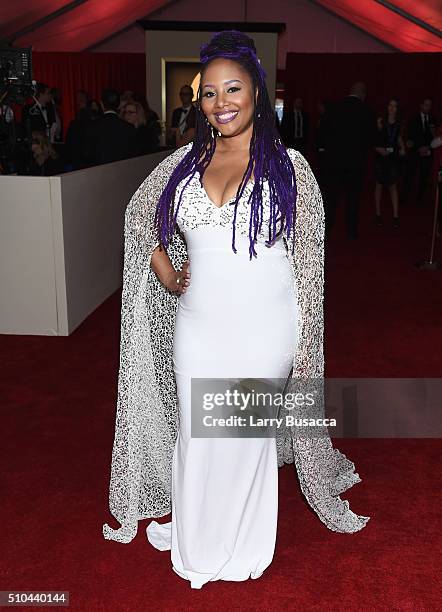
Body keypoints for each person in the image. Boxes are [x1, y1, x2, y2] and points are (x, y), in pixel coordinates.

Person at [102, 30, 369, 589]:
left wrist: (305, 348)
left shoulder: (291, 168)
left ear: (256, 91)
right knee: (200, 434)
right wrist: (169, 274)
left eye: (233, 89)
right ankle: (198, 530)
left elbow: (309, 271)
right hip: (197, 326)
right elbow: (135, 217)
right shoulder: (183, 162)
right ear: (198, 101)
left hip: (265, 329)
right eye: (208, 93)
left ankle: (241, 541)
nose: (220, 102)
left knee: (243, 438)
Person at [322, 81, 375, 239]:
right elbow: (370, 138)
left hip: (334, 162)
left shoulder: (334, 108)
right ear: (363, 94)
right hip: (356, 163)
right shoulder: (367, 111)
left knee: (331, 199)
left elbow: (323, 132)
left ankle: (326, 229)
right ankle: (351, 231)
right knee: (353, 199)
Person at [374, 99, 406, 228]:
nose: (392, 108)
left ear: (397, 109)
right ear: (387, 107)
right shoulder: (380, 122)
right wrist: (378, 149)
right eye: (390, 105)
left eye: (395, 106)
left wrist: (403, 147)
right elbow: (373, 139)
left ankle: (396, 216)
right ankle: (377, 214)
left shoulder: (399, 124)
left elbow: (398, 139)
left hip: (392, 158)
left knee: (393, 186)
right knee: (379, 185)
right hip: (380, 157)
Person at [84, 88, 137, 166]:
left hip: (98, 173)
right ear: (119, 105)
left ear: (101, 104)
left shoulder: (91, 126)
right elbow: (133, 156)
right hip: (123, 172)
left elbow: (87, 154)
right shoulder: (129, 128)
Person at [403, 98, 436, 206]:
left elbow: (435, 138)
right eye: (426, 105)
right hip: (415, 152)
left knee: (424, 177)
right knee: (409, 175)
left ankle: (420, 199)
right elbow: (410, 136)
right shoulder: (413, 119)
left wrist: (428, 148)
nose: (428, 107)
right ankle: (404, 197)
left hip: (428, 153)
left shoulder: (433, 119)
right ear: (421, 105)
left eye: (429, 105)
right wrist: (418, 148)